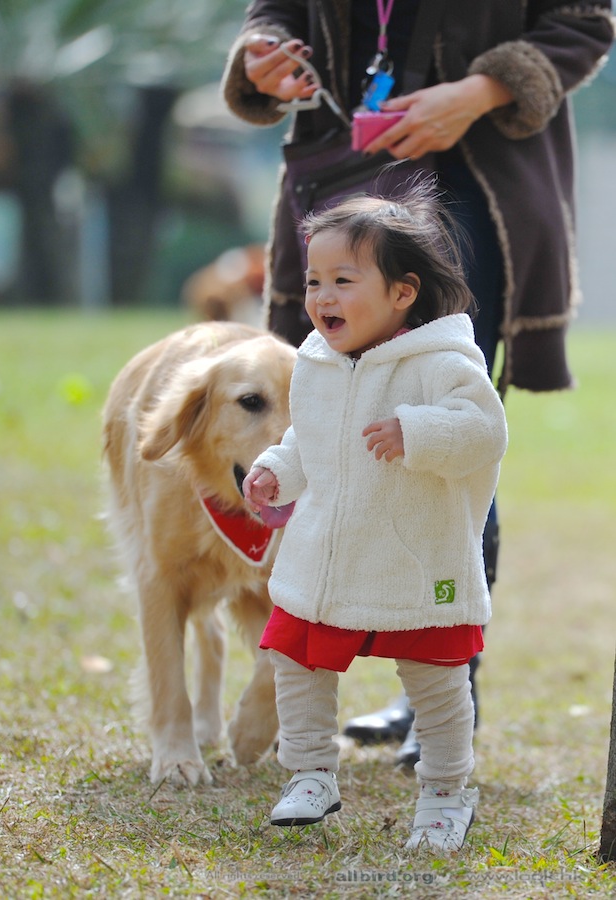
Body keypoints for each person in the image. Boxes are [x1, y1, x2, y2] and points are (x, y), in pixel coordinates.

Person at [222, 1, 614, 766]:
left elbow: (583, 19)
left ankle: (440, 693)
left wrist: (479, 92)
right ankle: (311, 682)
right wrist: (263, 54)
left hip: (473, 191)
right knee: (325, 421)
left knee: (441, 434)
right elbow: (274, 11)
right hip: (340, 175)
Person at [242, 188, 508, 850]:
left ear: (402, 293)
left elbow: (484, 431)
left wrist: (417, 430)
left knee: (436, 684)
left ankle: (445, 794)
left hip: (413, 558)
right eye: (314, 281)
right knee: (296, 661)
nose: (322, 296)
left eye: (343, 280)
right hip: (327, 558)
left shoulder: (443, 361)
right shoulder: (317, 361)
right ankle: (310, 772)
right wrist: (278, 469)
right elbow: (311, 439)